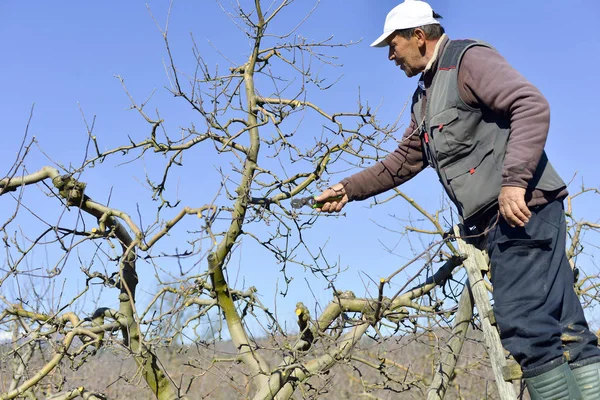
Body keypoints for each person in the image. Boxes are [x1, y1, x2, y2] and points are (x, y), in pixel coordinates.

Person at [315, 1, 600, 398]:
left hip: (519, 214)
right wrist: (348, 189)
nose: (390, 55)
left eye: (393, 45)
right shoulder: (425, 97)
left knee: (525, 329)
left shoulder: (467, 60)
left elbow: (530, 105)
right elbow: (403, 161)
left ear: (419, 36)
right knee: (568, 331)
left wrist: (514, 183)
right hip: (514, 219)